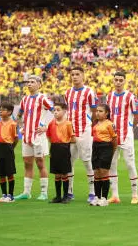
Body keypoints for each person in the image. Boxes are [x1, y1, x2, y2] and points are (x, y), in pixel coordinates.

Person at [15, 75, 54, 201]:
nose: (29, 84)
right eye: (28, 82)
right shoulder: (25, 99)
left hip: (38, 136)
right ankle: (26, 192)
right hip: (27, 136)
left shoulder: (43, 99)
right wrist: (21, 127)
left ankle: (44, 192)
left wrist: (46, 127)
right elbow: (19, 115)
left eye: (32, 82)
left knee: (40, 163)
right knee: (27, 163)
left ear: (39, 84)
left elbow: (56, 112)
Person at [106, 71, 138, 204]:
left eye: (121, 80)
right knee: (112, 165)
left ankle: (135, 195)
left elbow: (137, 116)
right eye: (116, 80)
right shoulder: (109, 97)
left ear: (124, 81)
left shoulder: (131, 97)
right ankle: (115, 195)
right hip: (112, 137)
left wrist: (130, 129)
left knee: (130, 164)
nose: (118, 82)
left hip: (126, 136)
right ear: (113, 81)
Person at [64, 66, 98, 202]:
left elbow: (95, 111)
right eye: (72, 74)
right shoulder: (67, 92)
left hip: (84, 131)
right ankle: (69, 191)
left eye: (77, 74)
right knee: (69, 162)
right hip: (71, 132)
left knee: (87, 161)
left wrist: (90, 125)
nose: (74, 77)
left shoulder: (89, 92)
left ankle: (92, 192)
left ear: (83, 76)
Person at [45, 103, 75, 204]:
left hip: (64, 148)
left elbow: (72, 138)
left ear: (64, 111)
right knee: (56, 174)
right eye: (54, 110)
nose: (56, 112)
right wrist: (54, 144)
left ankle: (66, 196)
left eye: (58, 110)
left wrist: (64, 144)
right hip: (54, 148)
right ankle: (58, 196)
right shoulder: (51, 123)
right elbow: (48, 136)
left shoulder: (68, 124)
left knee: (64, 173)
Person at [90, 104, 117, 207]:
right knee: (96, 172)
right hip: (96, 147)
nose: (97, 113)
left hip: (106, 147)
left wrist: (111, 151)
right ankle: (97, 197)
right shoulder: (95, 124)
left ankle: (104, 198)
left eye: (101, 111)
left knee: (104, 172)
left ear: (107, 113)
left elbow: (114, 139)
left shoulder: (110, 124)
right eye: (97, 111)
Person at [0, 103, 18, 203]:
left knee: (9, 172)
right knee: (1, 173)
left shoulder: (13, 124)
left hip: (8, 147)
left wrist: (11, 148)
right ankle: (4, 194)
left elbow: (16, 139)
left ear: (9, 112)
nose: (0, 111)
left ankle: (11, 195)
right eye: (0, 109)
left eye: (3, 109)